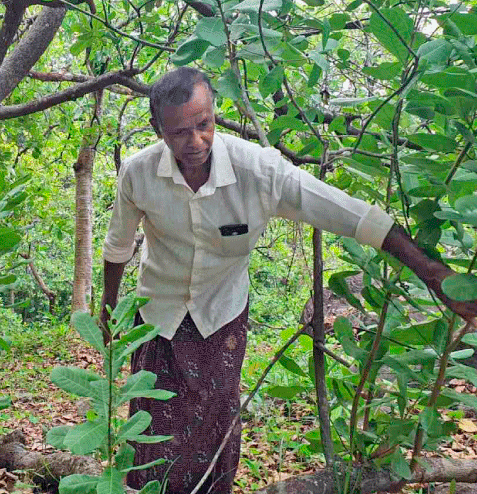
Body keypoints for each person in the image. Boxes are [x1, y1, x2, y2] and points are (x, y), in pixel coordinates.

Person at [100, 67, 477, 494]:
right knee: (152, 427)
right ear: (159, 130)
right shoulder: (138, 173)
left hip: (220, 313)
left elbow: (351, 215)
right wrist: (108, 310)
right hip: (157, 313)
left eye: (204, 125)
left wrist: (434, 274)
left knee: (212, 427)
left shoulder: (259, 172)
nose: (196, 142)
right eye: (180, 132)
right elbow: (118, 247)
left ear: (214, 115)